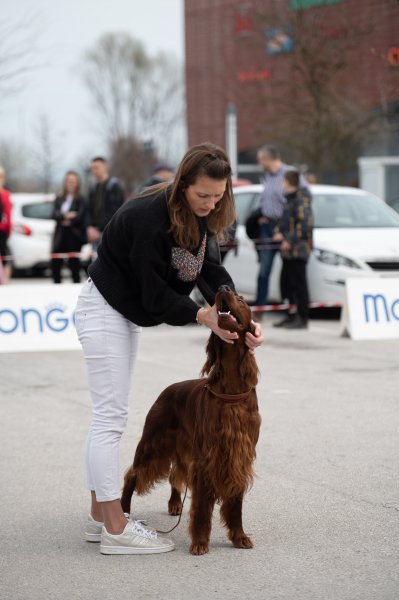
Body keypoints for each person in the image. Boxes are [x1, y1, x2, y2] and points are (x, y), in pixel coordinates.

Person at [75, 142, 264, 555]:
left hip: (125, 313)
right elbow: (154, 293)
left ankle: (98, 520)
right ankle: (114, 529)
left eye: (219, 196)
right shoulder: (148, 217)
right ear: (182, 185)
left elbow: (213, 273)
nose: (211, 203)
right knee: (110, 418)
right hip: (104, 308)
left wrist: (243, 320)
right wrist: (203, 317)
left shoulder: (203, 218)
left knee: (112, 415)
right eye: (202, 195)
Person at [251, 145, 309, 307]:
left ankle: (290, 306)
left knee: (289, 270)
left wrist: (287, 223)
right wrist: (262, 215)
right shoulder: (268, 176)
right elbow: (266, 199)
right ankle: (260, 306)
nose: (259, 164)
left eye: (260, 160)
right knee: (264, 269)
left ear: (267, 159)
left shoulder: (290, 174)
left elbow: (303, 197)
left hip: (284, 227)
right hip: (267, 226)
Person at [272, 170, 313, 329]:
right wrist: (279, 232)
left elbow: (304, 225)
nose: (282, 185)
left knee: (299, 285)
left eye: (284, 182)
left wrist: (289, 239)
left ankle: (302, 318)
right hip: (288, 252)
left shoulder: (301, 200)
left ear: (288, 182)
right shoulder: (289, 200)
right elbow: (286, 222)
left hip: (298, 251)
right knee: (287, 285)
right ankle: (290, 315)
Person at [51, 171, 87, 284]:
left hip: (73, 237)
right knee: (55, 265)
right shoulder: (60, 198)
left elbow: (80, 216)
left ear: (77, 183)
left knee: (74, 266)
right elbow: (54, 214)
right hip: (60, 236)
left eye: (73, 181)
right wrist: (66, 216)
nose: (70, 183)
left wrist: (66, 218)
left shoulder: (81, 199)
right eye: (68, 181)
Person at [86, 157, 124, 253]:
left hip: (110, 232)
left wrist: (101, 231)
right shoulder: (93, 187)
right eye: (92, 168)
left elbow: (116, 211)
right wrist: (90, 227)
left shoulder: (114, 186)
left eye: (97, 167)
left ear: (105, 167)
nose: (94, 171)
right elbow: (89, 209)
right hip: (94, 233)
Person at [0, 166, 13, 284]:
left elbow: (7, 215)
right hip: (3, 230)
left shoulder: (4, 194)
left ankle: (4, 282)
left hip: (2, 231)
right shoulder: (5, 194)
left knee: (4, 256)